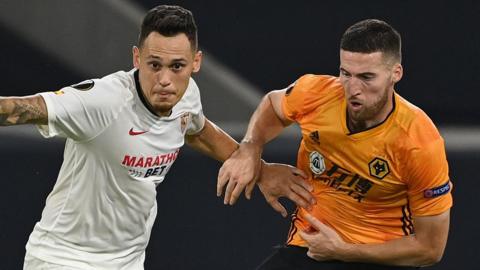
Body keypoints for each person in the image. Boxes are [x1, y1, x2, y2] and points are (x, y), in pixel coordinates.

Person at [0, 5, 313, 270]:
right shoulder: (102, 102)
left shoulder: (187, 95)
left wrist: (260, 170)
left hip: (129, 259)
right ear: (137, 58)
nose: (165, 79)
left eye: (177, 66)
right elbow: (20, 109)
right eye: (154, 65)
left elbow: (199, 133)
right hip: (64, 259)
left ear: (196, 62)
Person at [217, 19, 453, 269]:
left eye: (366, 77)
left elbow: (430, 249)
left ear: (396, 73)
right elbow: (274, 104)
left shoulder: (419, 142)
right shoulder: (317, 93)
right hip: (309, 248)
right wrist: (251, 147)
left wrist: (347, 251)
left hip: (380, 257)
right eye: (345, 73)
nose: (353, 89)